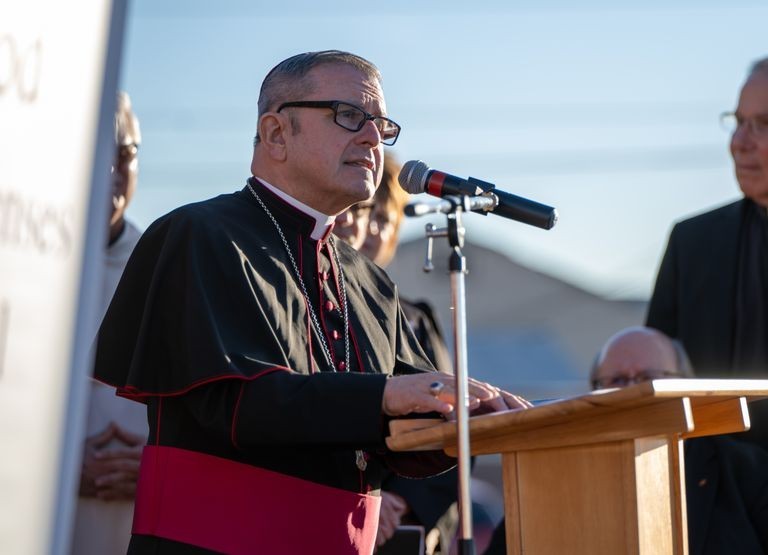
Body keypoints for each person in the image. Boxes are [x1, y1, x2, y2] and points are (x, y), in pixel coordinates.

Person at [93, 50, 529, 555]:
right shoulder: (201, 235)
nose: (372, 138)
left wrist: (476, 415)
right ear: (277, 133)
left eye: (380, 125)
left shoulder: (369, 281)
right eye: (350, 116)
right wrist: (387, 396)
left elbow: (409, 432)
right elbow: (239, 408)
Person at [645, 53, 768, 544]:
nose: (740, 142)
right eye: (737, 122)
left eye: (764, 124)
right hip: (721, 509)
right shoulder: (693, 244)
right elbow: (655, 375)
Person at [590, 327, 768, 555]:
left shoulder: (756, 476)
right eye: (617, 381)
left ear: (685, 385)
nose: (633, 392)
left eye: (648, 379)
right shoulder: (571, 479)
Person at [335, 153, 458, 554]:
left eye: (382, 220)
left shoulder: (414, 320)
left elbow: (447, 423)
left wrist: (400, 503)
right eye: (361, 213)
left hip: (398, 530)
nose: (368, 230)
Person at [72, 92, 147, 555]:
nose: (114, 174)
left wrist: (159, 467)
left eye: (126, 155)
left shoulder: (164, 265)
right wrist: (52, 460)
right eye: (98, 153)